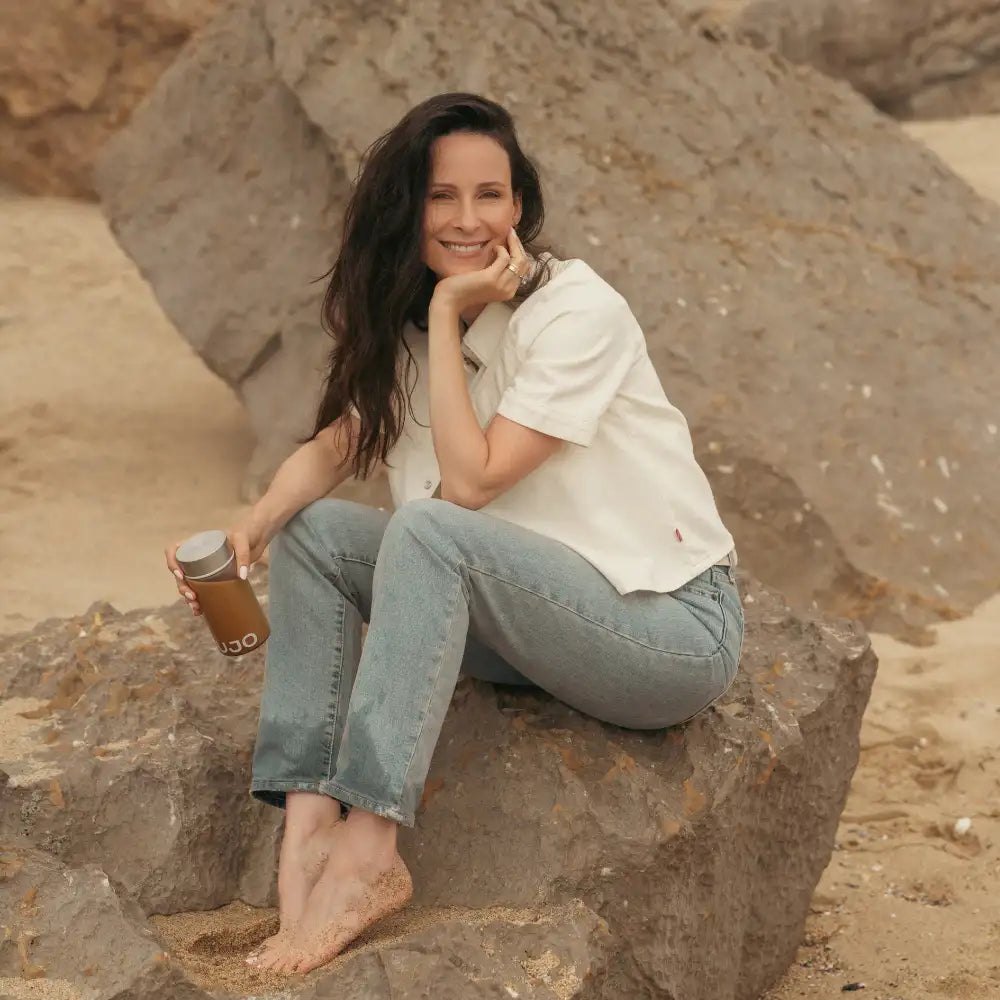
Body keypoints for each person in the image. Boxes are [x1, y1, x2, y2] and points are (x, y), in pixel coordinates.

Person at [165, 92, 743, 976]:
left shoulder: (577, 312)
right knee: (317, 533)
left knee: (430, 526)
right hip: (530, 622)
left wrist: (443, 316)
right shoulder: (411, 325)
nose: (469, 220)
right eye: (443, 197)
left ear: (520, 207)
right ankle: (312, 829)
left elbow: (469, 485)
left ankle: (370, 852)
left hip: (664, 632)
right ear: (410, 206)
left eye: (491, 196)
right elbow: (337, 446)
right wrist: (250, 532)